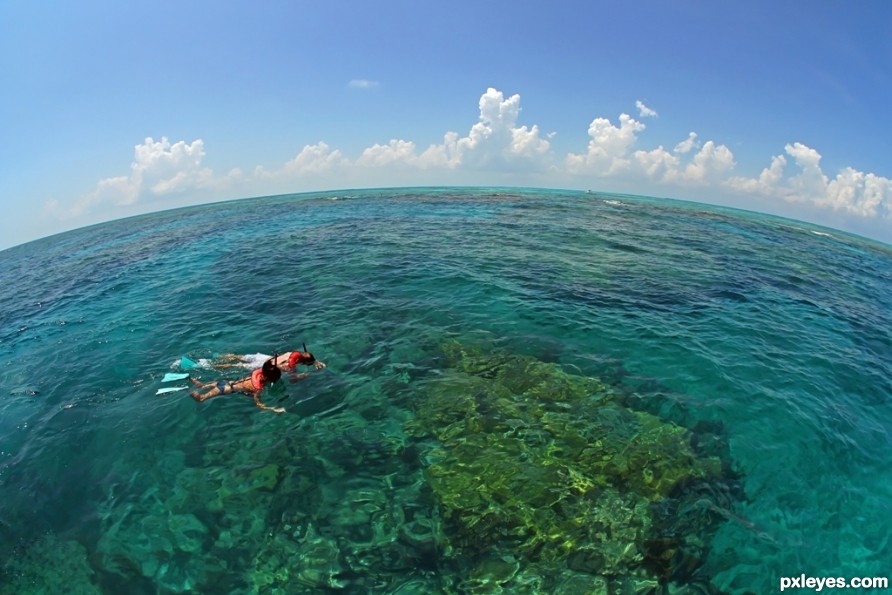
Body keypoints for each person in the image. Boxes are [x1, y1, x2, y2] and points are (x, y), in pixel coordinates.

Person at [189, 357, 286, 413]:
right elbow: (258, 404)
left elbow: (266, 366)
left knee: (203, 386)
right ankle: (187, 390)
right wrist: (273, 409)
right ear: (267, 378)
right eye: (274, 379)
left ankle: (191, 380)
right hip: (224, 389)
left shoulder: (258, 372)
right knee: (201, 398)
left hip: (225, 382)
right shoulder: (258, 388)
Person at [215, 343, 326, 382]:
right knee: (238, 366)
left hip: (264, 358)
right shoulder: (290, 366)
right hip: (264, 365)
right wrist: (306, 375)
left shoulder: (294, 354)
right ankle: (216, 366)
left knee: (242, 358)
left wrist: (315, 361)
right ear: (304, 362)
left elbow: (305, 357)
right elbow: (293, 379)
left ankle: (227, 356)